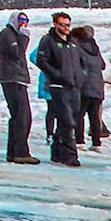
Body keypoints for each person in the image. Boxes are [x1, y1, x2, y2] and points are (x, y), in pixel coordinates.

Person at [35, 11, 83, 166]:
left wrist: (81, 76)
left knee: (73, 119)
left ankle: (57, 150)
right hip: (58, 86)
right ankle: (70, 155)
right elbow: (41, 61)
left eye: (68, 25)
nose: (66, 28)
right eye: (63, 25)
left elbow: (81, 62)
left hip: (74, 86)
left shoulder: (73, 42)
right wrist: (57, 75)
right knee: (66, 120)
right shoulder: (48, 41)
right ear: (55, 24)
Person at [0, 11, 40, 164]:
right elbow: (17, 53)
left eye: (26, 21)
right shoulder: (7, 34)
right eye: (21, 20)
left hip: (17, 78)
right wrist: (24, 37)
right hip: (12, 78)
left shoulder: (12, 34)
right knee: (22, 116)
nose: (24, 24)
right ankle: (20, 152)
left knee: (19, 117)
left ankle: (14, 151)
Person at [73, 24, 110, 149]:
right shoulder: (95, 48)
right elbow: (103, 65)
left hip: (84, 86)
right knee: (94, 116)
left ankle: (79, 141)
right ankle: (96, 142)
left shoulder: (77, 47)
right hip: (98, 86)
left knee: (79, 114)